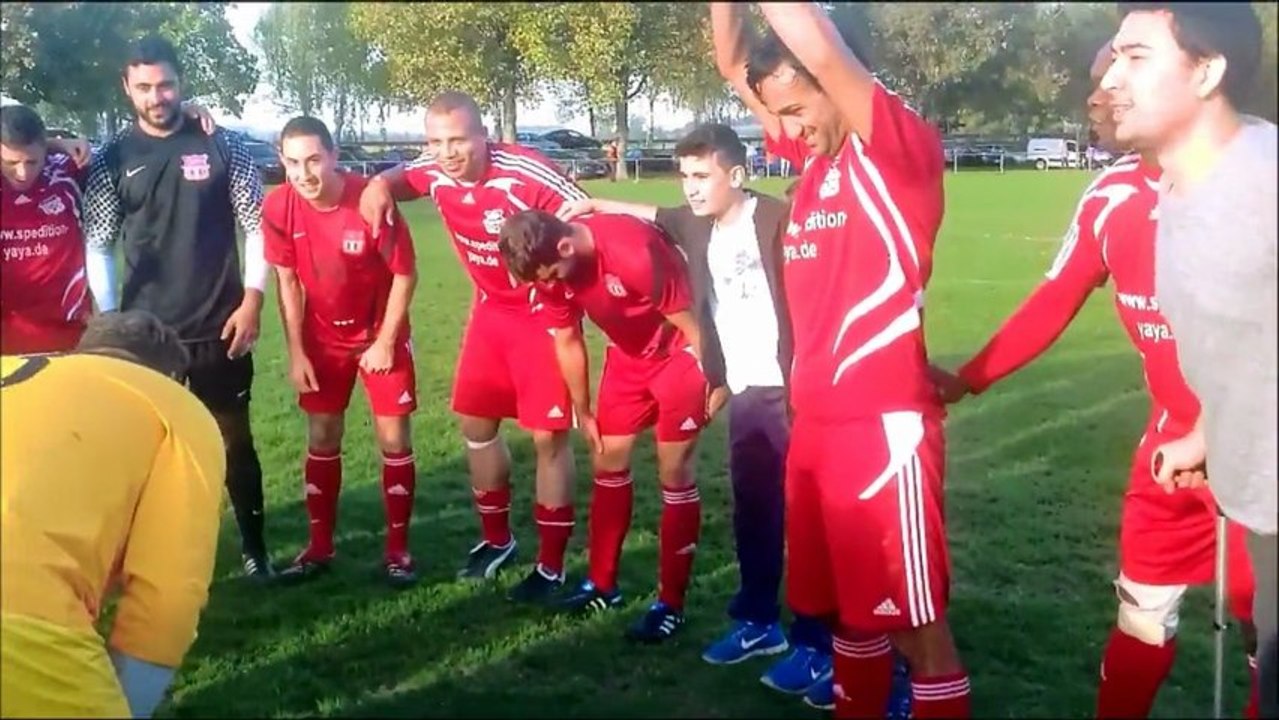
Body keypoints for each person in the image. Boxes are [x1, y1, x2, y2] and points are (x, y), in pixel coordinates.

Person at [931, 42, 1260, 718]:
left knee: (1268, 636)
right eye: (1098, 78)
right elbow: (1055, 299)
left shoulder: (1259, 173)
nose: (1099, 94)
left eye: (1124, 73)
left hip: (1263, 450)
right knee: (1141, 614)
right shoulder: (1111, 195)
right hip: (1169, 451)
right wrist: (968, 379)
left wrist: (1221, 431)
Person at [712, 2, 972, 717]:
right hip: (815, 434)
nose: (787, 131)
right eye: (780, 117)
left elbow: (820, 48)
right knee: (849, 620)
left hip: (880, 434)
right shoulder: (816, 162)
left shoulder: (897, 154)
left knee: (916, 630)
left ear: (837, 83)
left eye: (797, 110)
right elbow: (732, 63)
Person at [556, 123, 842, 706]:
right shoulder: (695, 224)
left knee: (811, 520)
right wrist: (595, 203)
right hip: (746, 390)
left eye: (702, 176)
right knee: (755, 512)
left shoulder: (777, 219)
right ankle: (759, 622)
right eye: (684, 175)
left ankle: (820, 643)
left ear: (736, 174)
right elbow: (655, 214)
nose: (690, 187)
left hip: (795, 389)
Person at [1101, 4, 1277, 716]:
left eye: (1136, 57)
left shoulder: (1264, 185)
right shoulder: (1181, 190)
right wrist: (1208, 434)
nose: (1110, 78)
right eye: (1114, 56)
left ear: (1206, 71)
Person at [359, 91, 588, 603]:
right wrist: (377, 184)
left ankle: (551, 565)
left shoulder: (526, 173)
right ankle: (497, 540)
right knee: (476, 427)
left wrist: (567, 292)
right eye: (436, 142)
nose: (448, 152)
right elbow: (402, 177)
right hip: (489, 312)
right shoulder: (433, 170)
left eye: (459, 140)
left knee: (548, 439)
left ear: (484, 137)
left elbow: (586, 220)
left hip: (541, 315)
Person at [82, 35, 274, 581]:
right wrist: (113, 320)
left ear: (180, 83)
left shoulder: (222, 143)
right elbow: (98, 242)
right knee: (144, 450)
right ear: (127, 87)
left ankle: (256, 551)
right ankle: (146, 560)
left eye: (165, 84)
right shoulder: (112, 157)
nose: (156, 96)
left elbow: (257, 227)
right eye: (143, 87)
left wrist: (253, 298)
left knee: (234, 440)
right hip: (146, 336)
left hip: (221, 325)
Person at [498, 209, 710, 643]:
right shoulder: (550, 270)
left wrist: (716, 381)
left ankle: (670, 604)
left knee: (674, 472)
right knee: (608, 462)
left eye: (553, 275)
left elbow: (694, 325)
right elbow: (567, 339)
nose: (551, 285)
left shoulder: (633, 251)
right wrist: (584, 411)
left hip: (680, 353)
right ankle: (602, 585)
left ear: (565, 246)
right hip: (628, 361)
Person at [0, 309, 225, 718]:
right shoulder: (174, 406)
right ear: (170, 377)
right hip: (23, 621)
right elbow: (169, 595)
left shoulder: (14, 368)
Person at [261, 116, 420, 588]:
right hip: (322, 338)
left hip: (379, 333)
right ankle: (319, 546)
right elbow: (287, 282)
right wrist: (296, 352)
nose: (304, 173)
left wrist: (385, 341)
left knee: (394, 439)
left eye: (313, 160)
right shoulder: (278, 206)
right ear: (282, 161)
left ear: (333, 156)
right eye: (293, 163)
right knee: (323, 434)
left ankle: (398, 551)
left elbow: (405, 274)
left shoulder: (369, 199)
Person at [1, 104, 92, 355]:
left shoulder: (66, 171)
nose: (22, 173)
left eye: (32, 162)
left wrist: (186, 113)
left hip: (68, 333)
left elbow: (129, 150)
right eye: (10, 162)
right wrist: (55, 143)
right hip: (7, 338)